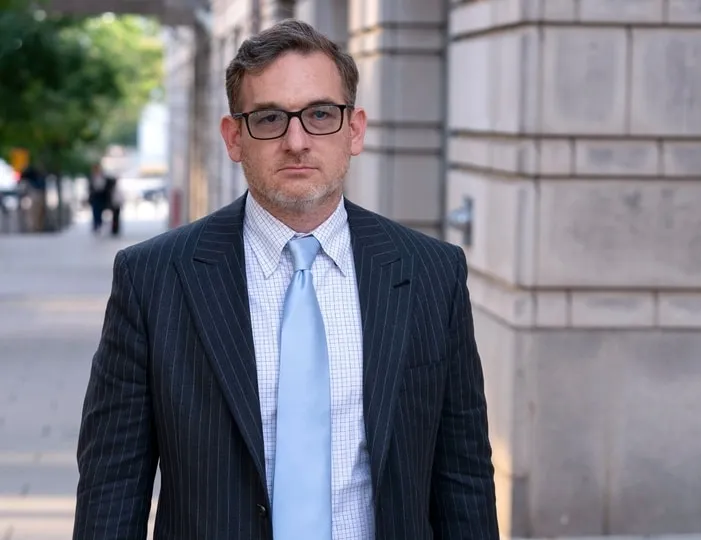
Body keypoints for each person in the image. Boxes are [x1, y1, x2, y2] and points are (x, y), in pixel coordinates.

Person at [73, 19, 499, 540]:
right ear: (234, 138)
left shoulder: (432, 273)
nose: (296, 141)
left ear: (355, 130)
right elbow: (112, 485)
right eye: (270, 118)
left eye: (321, 114)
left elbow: (464, 478)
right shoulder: (153, 278)